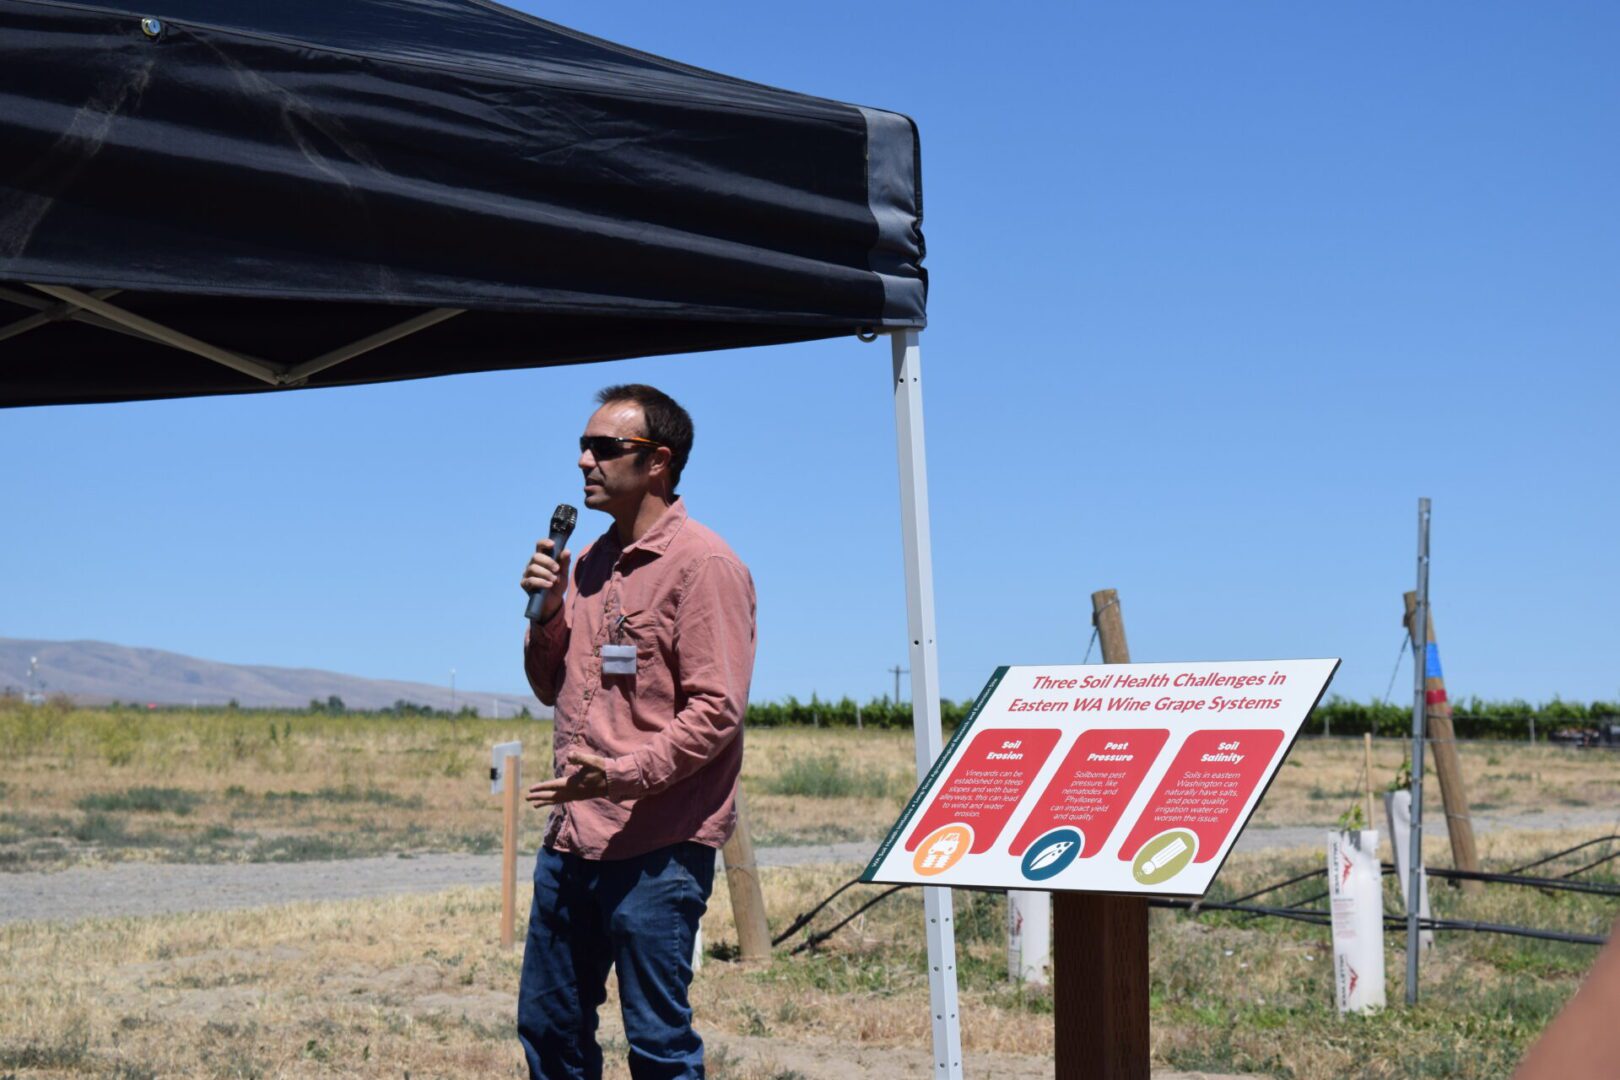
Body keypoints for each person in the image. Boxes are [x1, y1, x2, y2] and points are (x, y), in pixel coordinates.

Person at [516, 383, 756, 1080]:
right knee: (550, 1026)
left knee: (655, 1042)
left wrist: (619, 775)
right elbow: (547, 687)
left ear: (658, 462)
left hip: (659, 844)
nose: (585, 461)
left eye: (604, 448)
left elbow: (716, 712)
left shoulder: (705, 565)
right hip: (573, 838)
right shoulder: (586, 563)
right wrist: (546, 612)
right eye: (582, 448)